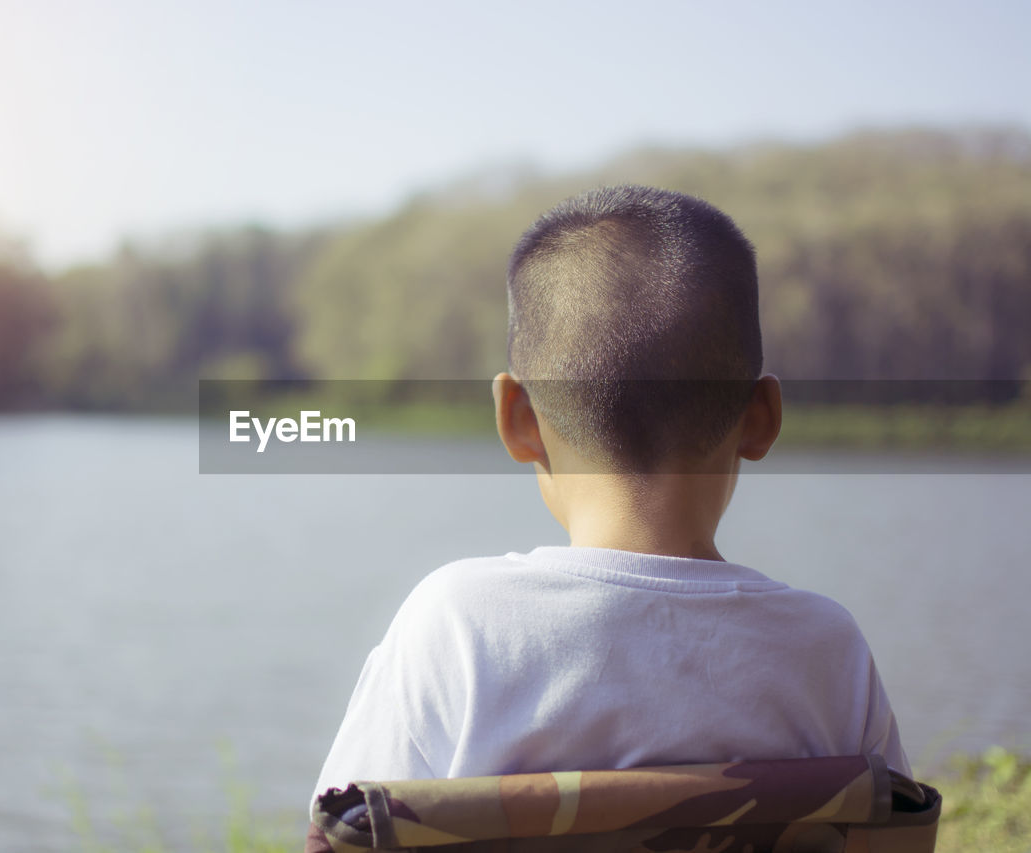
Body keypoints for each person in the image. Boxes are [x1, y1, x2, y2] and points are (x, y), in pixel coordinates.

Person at [311, 185, 909, 804]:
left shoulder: (459, 627)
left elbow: (349, 833)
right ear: (761, 417)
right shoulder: (828, 652)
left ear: (516, 416)